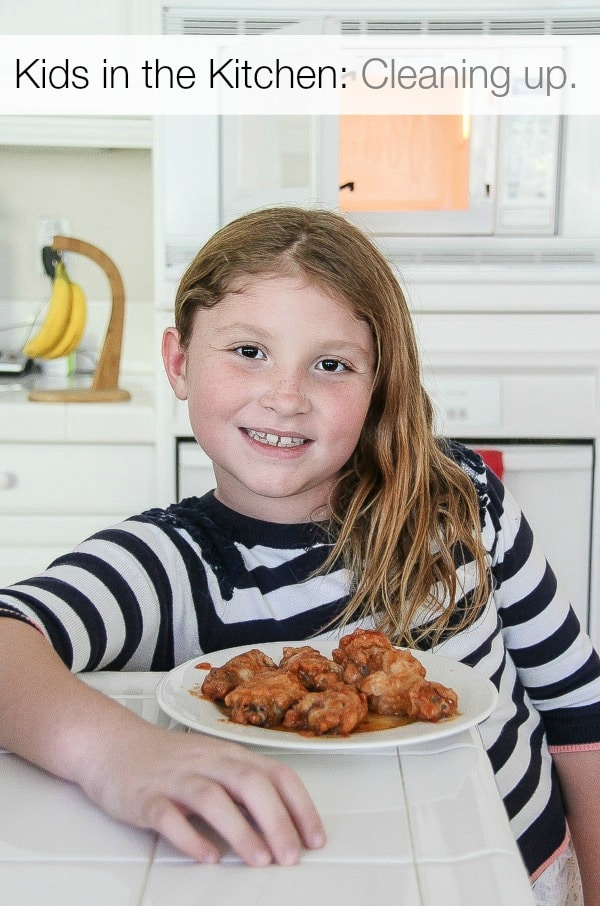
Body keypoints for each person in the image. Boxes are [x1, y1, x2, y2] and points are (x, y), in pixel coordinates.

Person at [0, 207, 599, 902]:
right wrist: (120, 755)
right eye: (248, 351)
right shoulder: (173, 565)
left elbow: (580, 714)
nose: (286, 398)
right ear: (178, 362)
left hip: (531, 880)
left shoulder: (459, 500)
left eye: (331, 365)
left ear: (376, 387)